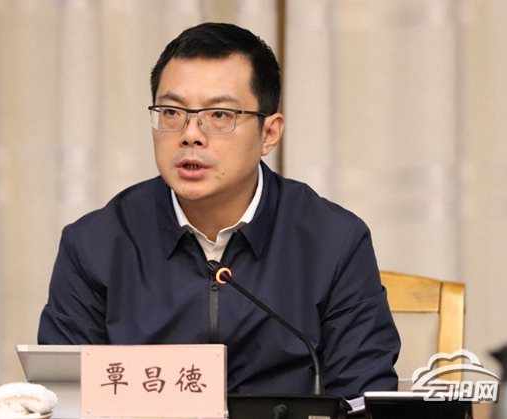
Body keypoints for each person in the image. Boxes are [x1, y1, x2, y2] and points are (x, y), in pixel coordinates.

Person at [38, 22, 400, 399]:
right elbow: (66, 398)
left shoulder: (334, 241)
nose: (190, 134)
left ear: (269, 133)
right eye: (171, 112)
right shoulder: (94, 245)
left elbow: (362, 397)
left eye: (219, 115)